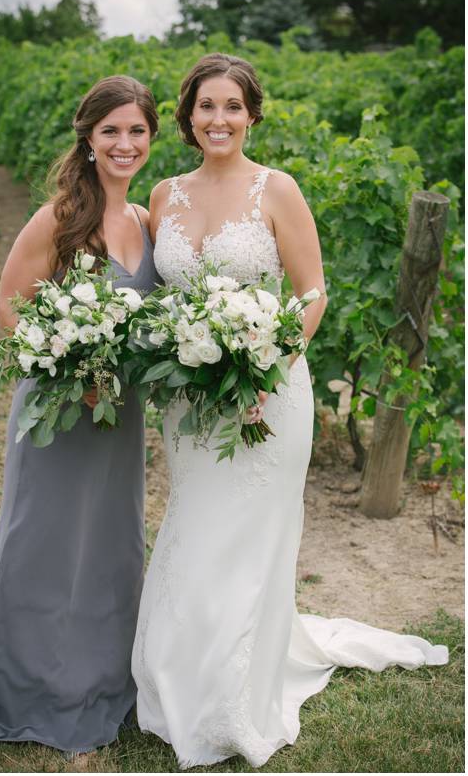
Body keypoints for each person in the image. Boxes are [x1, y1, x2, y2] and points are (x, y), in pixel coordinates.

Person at [135, 52, 448, 768]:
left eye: (232, 107)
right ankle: (176, 676)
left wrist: (266, 367)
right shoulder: (163, 196)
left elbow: (312, 293)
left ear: (251, 115)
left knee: (250, 538)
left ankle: (237, 692)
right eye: (206, 106)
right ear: (187, 117)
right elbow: (162, 300)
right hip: (190, 400)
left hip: (270, 393)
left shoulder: (278, 191)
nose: (219, 119)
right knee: (194, 524)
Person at [0, 75, 162, 756]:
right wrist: (71, 367)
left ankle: (100, 683)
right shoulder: (59, 218)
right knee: (42, 543)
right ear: (89, 139)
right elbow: (10, 306)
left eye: (137, 131)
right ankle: (24, 689)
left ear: (151, 139)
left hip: (119, 417)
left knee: (109, 545)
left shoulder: (149, 223)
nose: (124, 143)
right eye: (111, 132)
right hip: (60, 411)